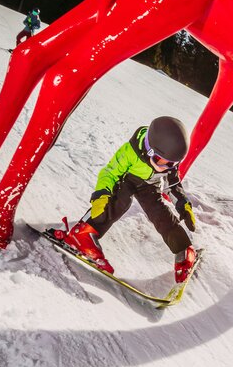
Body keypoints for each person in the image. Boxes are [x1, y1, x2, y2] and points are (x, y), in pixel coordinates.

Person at [52, 116, 198, 281]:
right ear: (149, 149)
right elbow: (110, 172)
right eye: (161, 162)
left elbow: (173, 184)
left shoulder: (168, 157)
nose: (167, 167)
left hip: (149, 185)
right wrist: (102, 194)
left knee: (159, 212)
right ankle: (83, 234)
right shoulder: (130, 151)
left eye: (172, 164)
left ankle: (184, 249)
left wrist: (183, 204)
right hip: (127, 180)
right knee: (119, 202)